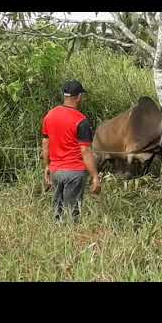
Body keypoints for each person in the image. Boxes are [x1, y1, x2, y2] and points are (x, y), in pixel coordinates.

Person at [42, 80, 101, 223]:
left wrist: (47, 166)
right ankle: (70, 240)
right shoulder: (81, 121)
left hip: (56, 171)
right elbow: (85, 151)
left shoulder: (49, 115)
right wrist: (95, 176)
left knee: (58, 212)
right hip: (74, 172)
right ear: (79, 97)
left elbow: (45, 143)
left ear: (64, 95)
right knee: (72, 215)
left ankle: (57, 238)